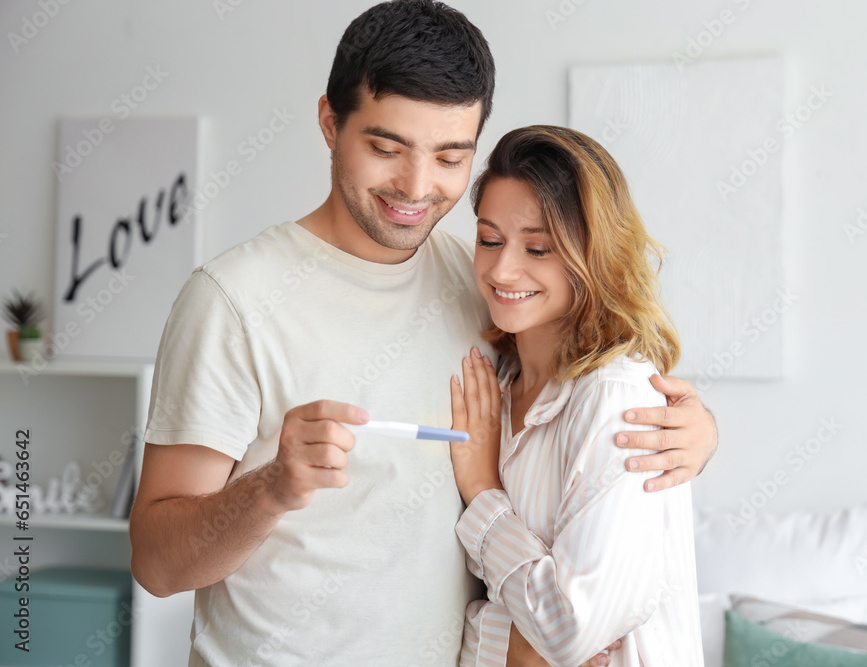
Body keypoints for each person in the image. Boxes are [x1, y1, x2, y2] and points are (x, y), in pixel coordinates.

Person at [128, 1, 717, 665]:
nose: (415, 185)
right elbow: (156, 562)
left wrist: (694, 433)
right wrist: (270, 490)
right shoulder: (231, 301)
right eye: (386, 148)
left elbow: (589, 383)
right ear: (330, 122)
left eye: (449, 156)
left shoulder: (485, 285)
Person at [448, 126, 703, 666]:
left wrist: (483, 490)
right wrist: (511, 645)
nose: (501, 269)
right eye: (489, 239)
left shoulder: (615, 399)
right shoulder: (495, 382)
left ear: (594, 254)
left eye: (538, 247)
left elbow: (568, 633)